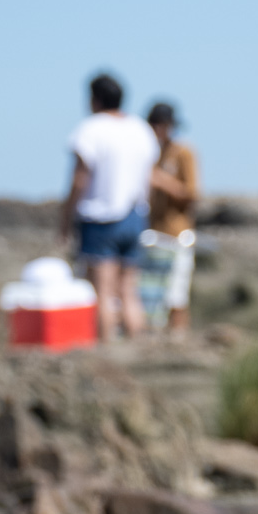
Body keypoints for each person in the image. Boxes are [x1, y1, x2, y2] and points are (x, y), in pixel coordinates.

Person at [63, 72, 159, 339]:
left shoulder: (90, 129)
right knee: (129, 289)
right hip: (135, 214)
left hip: (101, 217)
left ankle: (107, 352)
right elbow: (148, 178)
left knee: (102, 290)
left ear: (95, 99)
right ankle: (135, 347)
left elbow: (80, 178)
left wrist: (66, 216)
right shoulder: (141, 129)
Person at [139, 100, 199, 337]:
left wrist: (162, 181)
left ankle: (179, 337)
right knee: (151, 294)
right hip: (153, 233)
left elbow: (192, 193)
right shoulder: (150, 153)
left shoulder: (184, 153)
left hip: (178, 235)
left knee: (177, 293)